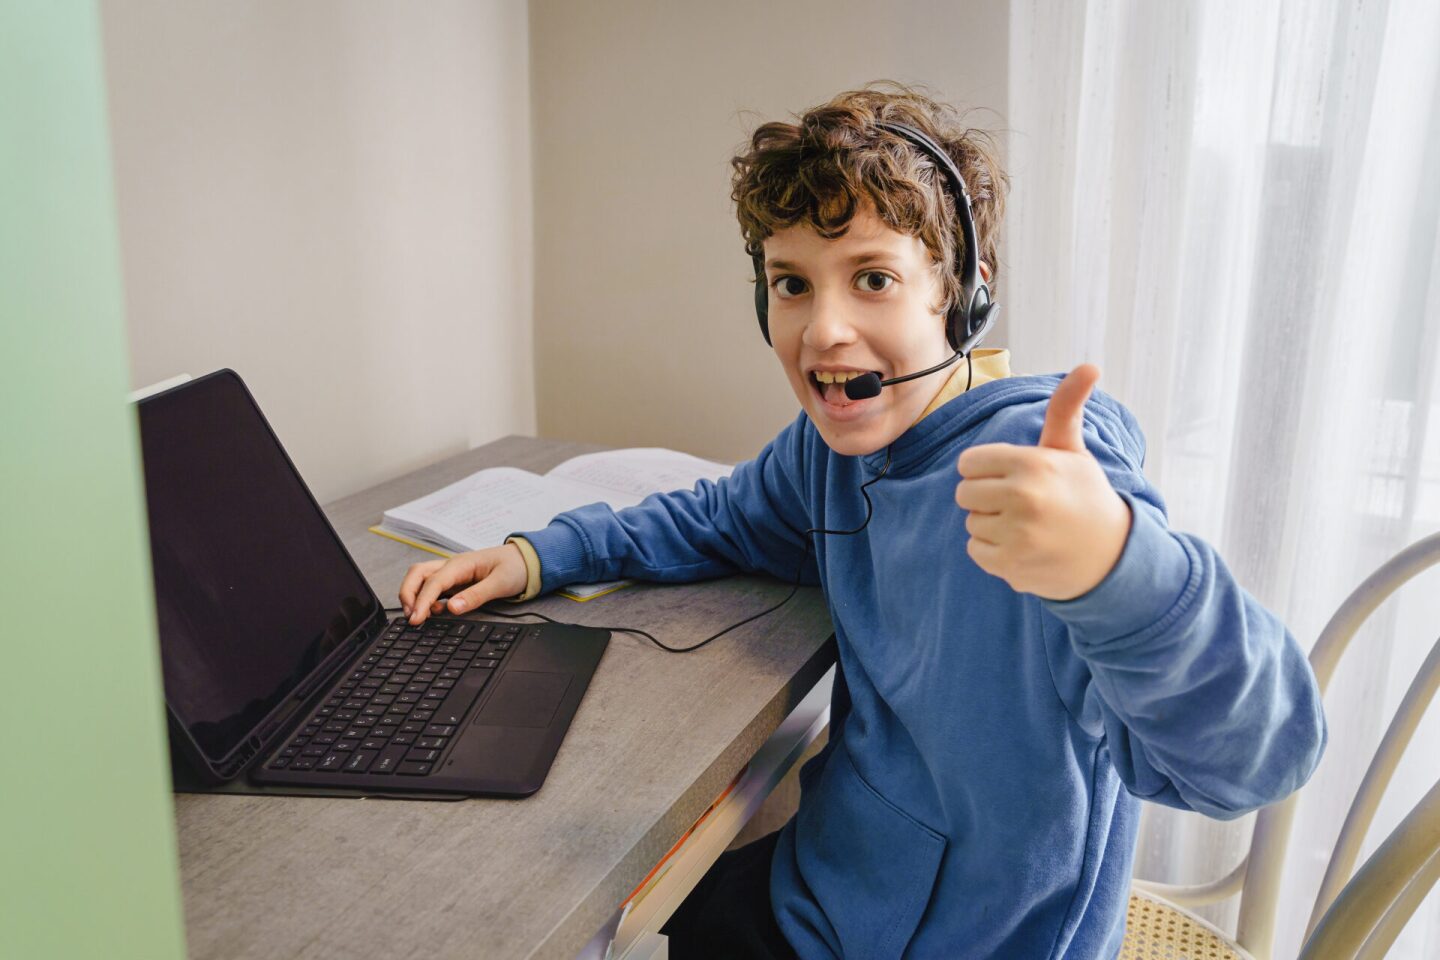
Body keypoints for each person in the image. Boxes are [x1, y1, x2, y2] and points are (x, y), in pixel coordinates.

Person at [397, 82, 1326, 959]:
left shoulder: (1045, 491)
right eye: (792, 284)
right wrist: (542, 555)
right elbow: (716, 518)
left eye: (872, 279)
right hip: (832, 895)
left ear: (961, 292)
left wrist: (1118, 568)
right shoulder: (829, 450)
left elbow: (1257, 760)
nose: (823, 330)